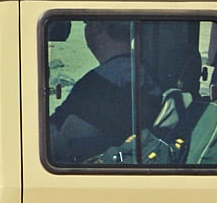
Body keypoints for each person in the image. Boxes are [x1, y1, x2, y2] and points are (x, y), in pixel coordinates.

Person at [49, 20, 148, 162]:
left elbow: (70, 140)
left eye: (87, 23)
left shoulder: (103, 80)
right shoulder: (141, 72)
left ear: (95, 27)